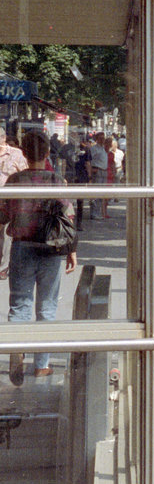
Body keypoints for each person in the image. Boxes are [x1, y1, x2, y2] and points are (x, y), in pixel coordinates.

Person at [0, 131, 77, 383]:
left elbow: (2, 215)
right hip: (51, 249)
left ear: (23, 152)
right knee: (47, 307)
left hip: (22, 247)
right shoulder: (56, 180)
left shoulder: (13, 181)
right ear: (46, 154)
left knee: (19, 304)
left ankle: (15, 355)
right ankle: (42, 365)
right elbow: (68, 218)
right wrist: (72, 250)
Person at [0, 135, 28, 281]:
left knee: (6, 234)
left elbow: (26, 172)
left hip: (8, 200)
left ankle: (3, 268)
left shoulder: (16, 154)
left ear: (3, 138)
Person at [88, 133, 109, 219]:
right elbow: (90, 159)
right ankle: (94, 213)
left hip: (104, 171)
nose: (102, 140)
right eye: (100, 138)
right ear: (97, 139)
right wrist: (92, 168)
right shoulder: (94, 149)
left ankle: (98, 212)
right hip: (98, 171)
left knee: (101, 193)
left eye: (103, 138)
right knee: (96, 192)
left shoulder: (103, 149)